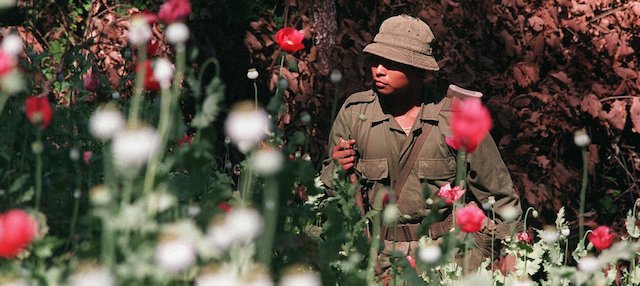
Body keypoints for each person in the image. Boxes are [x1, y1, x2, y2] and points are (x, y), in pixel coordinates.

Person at [319, 14, 522, 282]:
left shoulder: (457, 119)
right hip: (378, 258)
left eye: (391, 63)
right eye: (375, 61)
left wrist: (511, 255)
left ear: (417, 69)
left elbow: (500, 195)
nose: (378, 70)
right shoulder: (355, 114)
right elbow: (330, 193)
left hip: (446, 257)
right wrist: (337, 169)